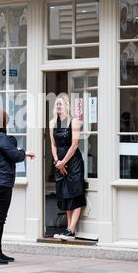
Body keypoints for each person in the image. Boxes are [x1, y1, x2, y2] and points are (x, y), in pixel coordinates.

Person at [0, 108, 35, 265]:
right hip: (0, 182)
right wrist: (24, 152)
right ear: (2, 122)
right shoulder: (0, 137)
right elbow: (15, 156)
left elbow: (7, 153)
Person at [50, 94, 86, 241]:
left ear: (66, 106)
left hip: (73, 162)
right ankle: (69, 229)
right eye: (57, 104)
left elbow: (75, 144)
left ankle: (71, 229)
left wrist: (64, 162)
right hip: (60, 162)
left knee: (75, 193)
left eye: (61, 104)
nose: (58, 106)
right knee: (65, 194)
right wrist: (57, 161)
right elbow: (53, 145)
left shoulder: (74, 121)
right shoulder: (52, 122)